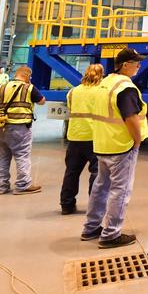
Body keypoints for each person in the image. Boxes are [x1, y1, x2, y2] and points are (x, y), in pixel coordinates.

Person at [82, 47, 148, 248]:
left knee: (100, 187)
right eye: (136, 62)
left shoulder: (105, 84)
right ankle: (111, 234)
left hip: (103, 144)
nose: (139, 66)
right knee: (121, 190)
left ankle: (91, 227)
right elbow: (131, 118)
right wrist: (137, 140)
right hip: (121, 145)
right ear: (125, 65)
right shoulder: (125, 88)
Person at [0, 66, 45, 195]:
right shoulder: (29, 88)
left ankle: (2, 187)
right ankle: (22, 185)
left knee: (1, 158)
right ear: (28, 77)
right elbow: (42, 101)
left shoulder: (1, 88)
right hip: (20, 128)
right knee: (22, 156)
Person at [59, 64, 103, 215]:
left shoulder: (73, 92)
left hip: (75, 136)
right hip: (94, 137)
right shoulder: (101, 92)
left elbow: (71, 110)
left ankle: (66, 205)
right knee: (96, 173)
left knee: (71, 172)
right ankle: (94, 205)